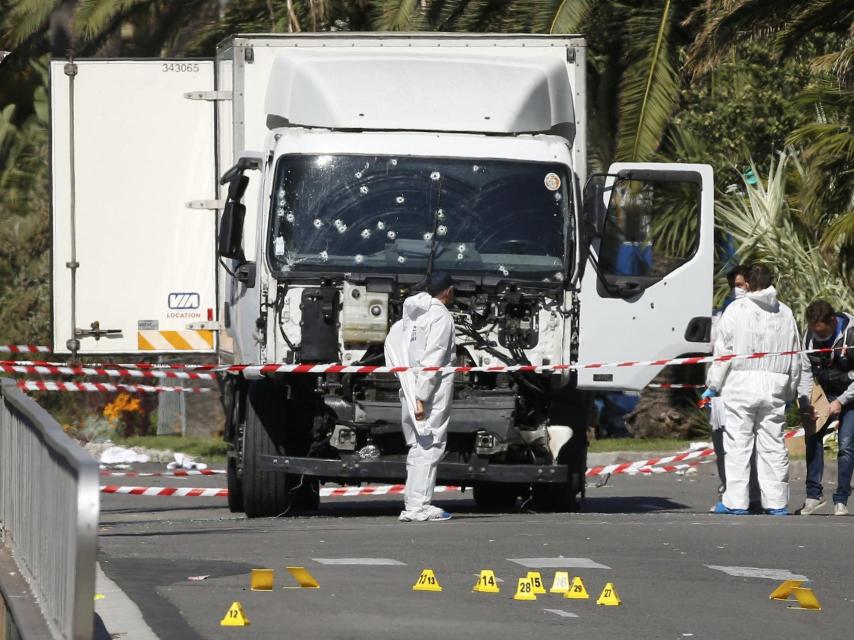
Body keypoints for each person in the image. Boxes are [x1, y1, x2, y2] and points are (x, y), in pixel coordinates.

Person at [705, 264, 801, 515]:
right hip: (775, 385)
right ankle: (777, 502)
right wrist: (790, 391)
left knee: (738, 444)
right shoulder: (786, 313)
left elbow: (723, 353)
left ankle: (736, 502)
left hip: (741, 384)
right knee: (773, 445)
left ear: (747, 283)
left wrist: (713, 386)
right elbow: (795, 356)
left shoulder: (736, 310)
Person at [384, 271, 456, 522]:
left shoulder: (412, 316)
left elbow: (393, 345)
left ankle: (414, 503)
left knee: (418, 445)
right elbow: (434, 359)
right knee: (431, 444)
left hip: (410, 384)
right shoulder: (440, 317)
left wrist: (412, 389)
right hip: (430, 391)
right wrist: (422, 397)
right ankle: (419, 506)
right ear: (447, 291)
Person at [706, 265, 760, 507]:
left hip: (743, 386)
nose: (737, 290)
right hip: (722, 390)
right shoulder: (724, 312)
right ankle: (729, 489)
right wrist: (713, 386)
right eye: (734, 286)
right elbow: (716, 348)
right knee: (723, 444)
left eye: (740, 284)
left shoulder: (762, 312)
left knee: (749, 446)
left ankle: (751, 496)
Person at [797, 300, 854, 516]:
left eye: (823, 333)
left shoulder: (851, 334)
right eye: (815, 332)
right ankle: (813, 495)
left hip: (850, 393)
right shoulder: (809, 337)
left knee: (846, 445)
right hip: (825, 392)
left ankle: (841, 499)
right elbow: (804, 372)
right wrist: (805, 402)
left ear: (833, 321)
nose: (819, 337)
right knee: (812, 436)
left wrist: (841, 401)